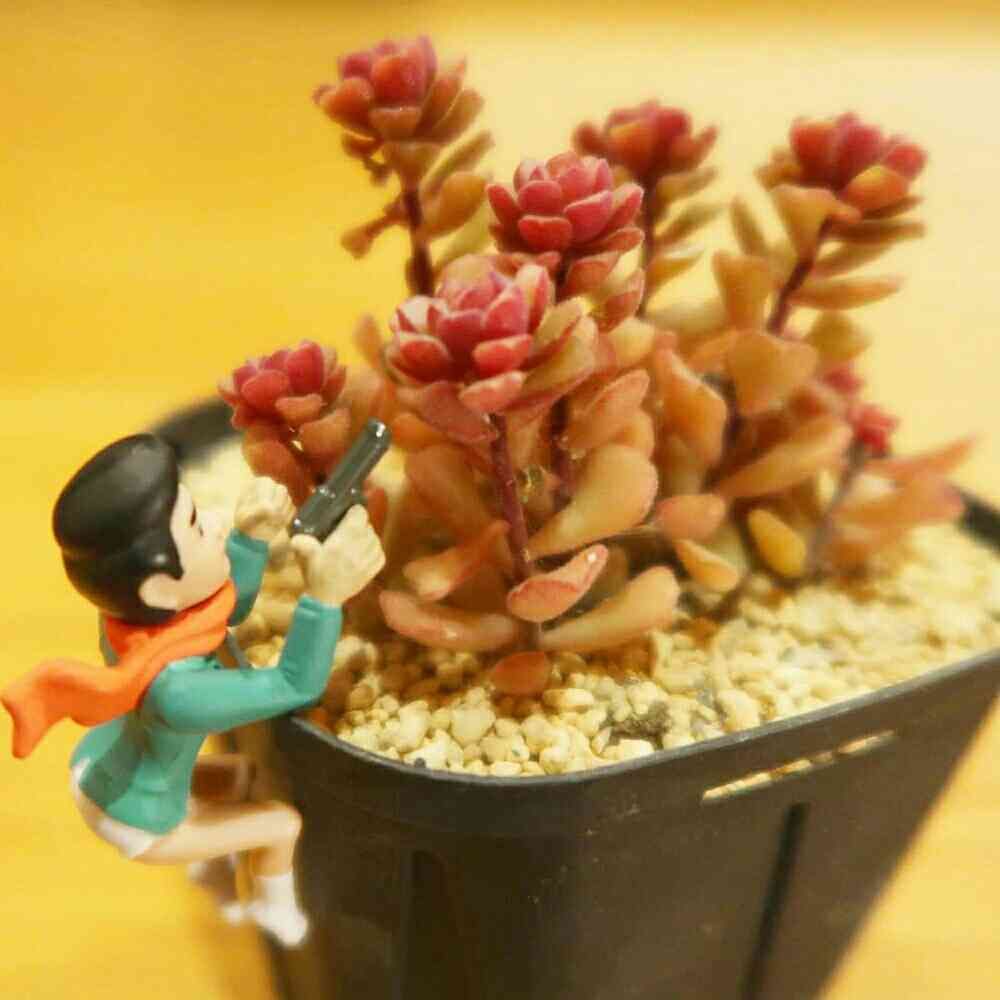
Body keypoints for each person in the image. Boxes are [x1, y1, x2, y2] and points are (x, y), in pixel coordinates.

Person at [1, 434, 385, 946]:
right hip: (135, 818)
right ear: (160, 588)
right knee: (281, 825)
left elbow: (220, 612)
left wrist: (249, 540)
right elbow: (295, 683)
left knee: (244, 774)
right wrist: (323, 599)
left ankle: (212, 871)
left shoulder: (132, 627)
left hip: (104, 767)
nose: (216, 523)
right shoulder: (177, 692)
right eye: (198, 527)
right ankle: (274, 910)